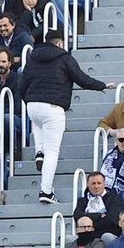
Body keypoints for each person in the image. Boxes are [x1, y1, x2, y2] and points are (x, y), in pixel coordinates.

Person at [20, 32, 109, 205]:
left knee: (38, 123)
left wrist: (28, 99)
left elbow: (22, 82)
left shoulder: (32, 57)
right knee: (52, 152)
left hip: (32, 105)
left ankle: (39, 151)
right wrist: (102, 85)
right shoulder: (64, 57)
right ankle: (46, 191)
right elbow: (82, 79)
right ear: (60, 43)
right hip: (53, 107)